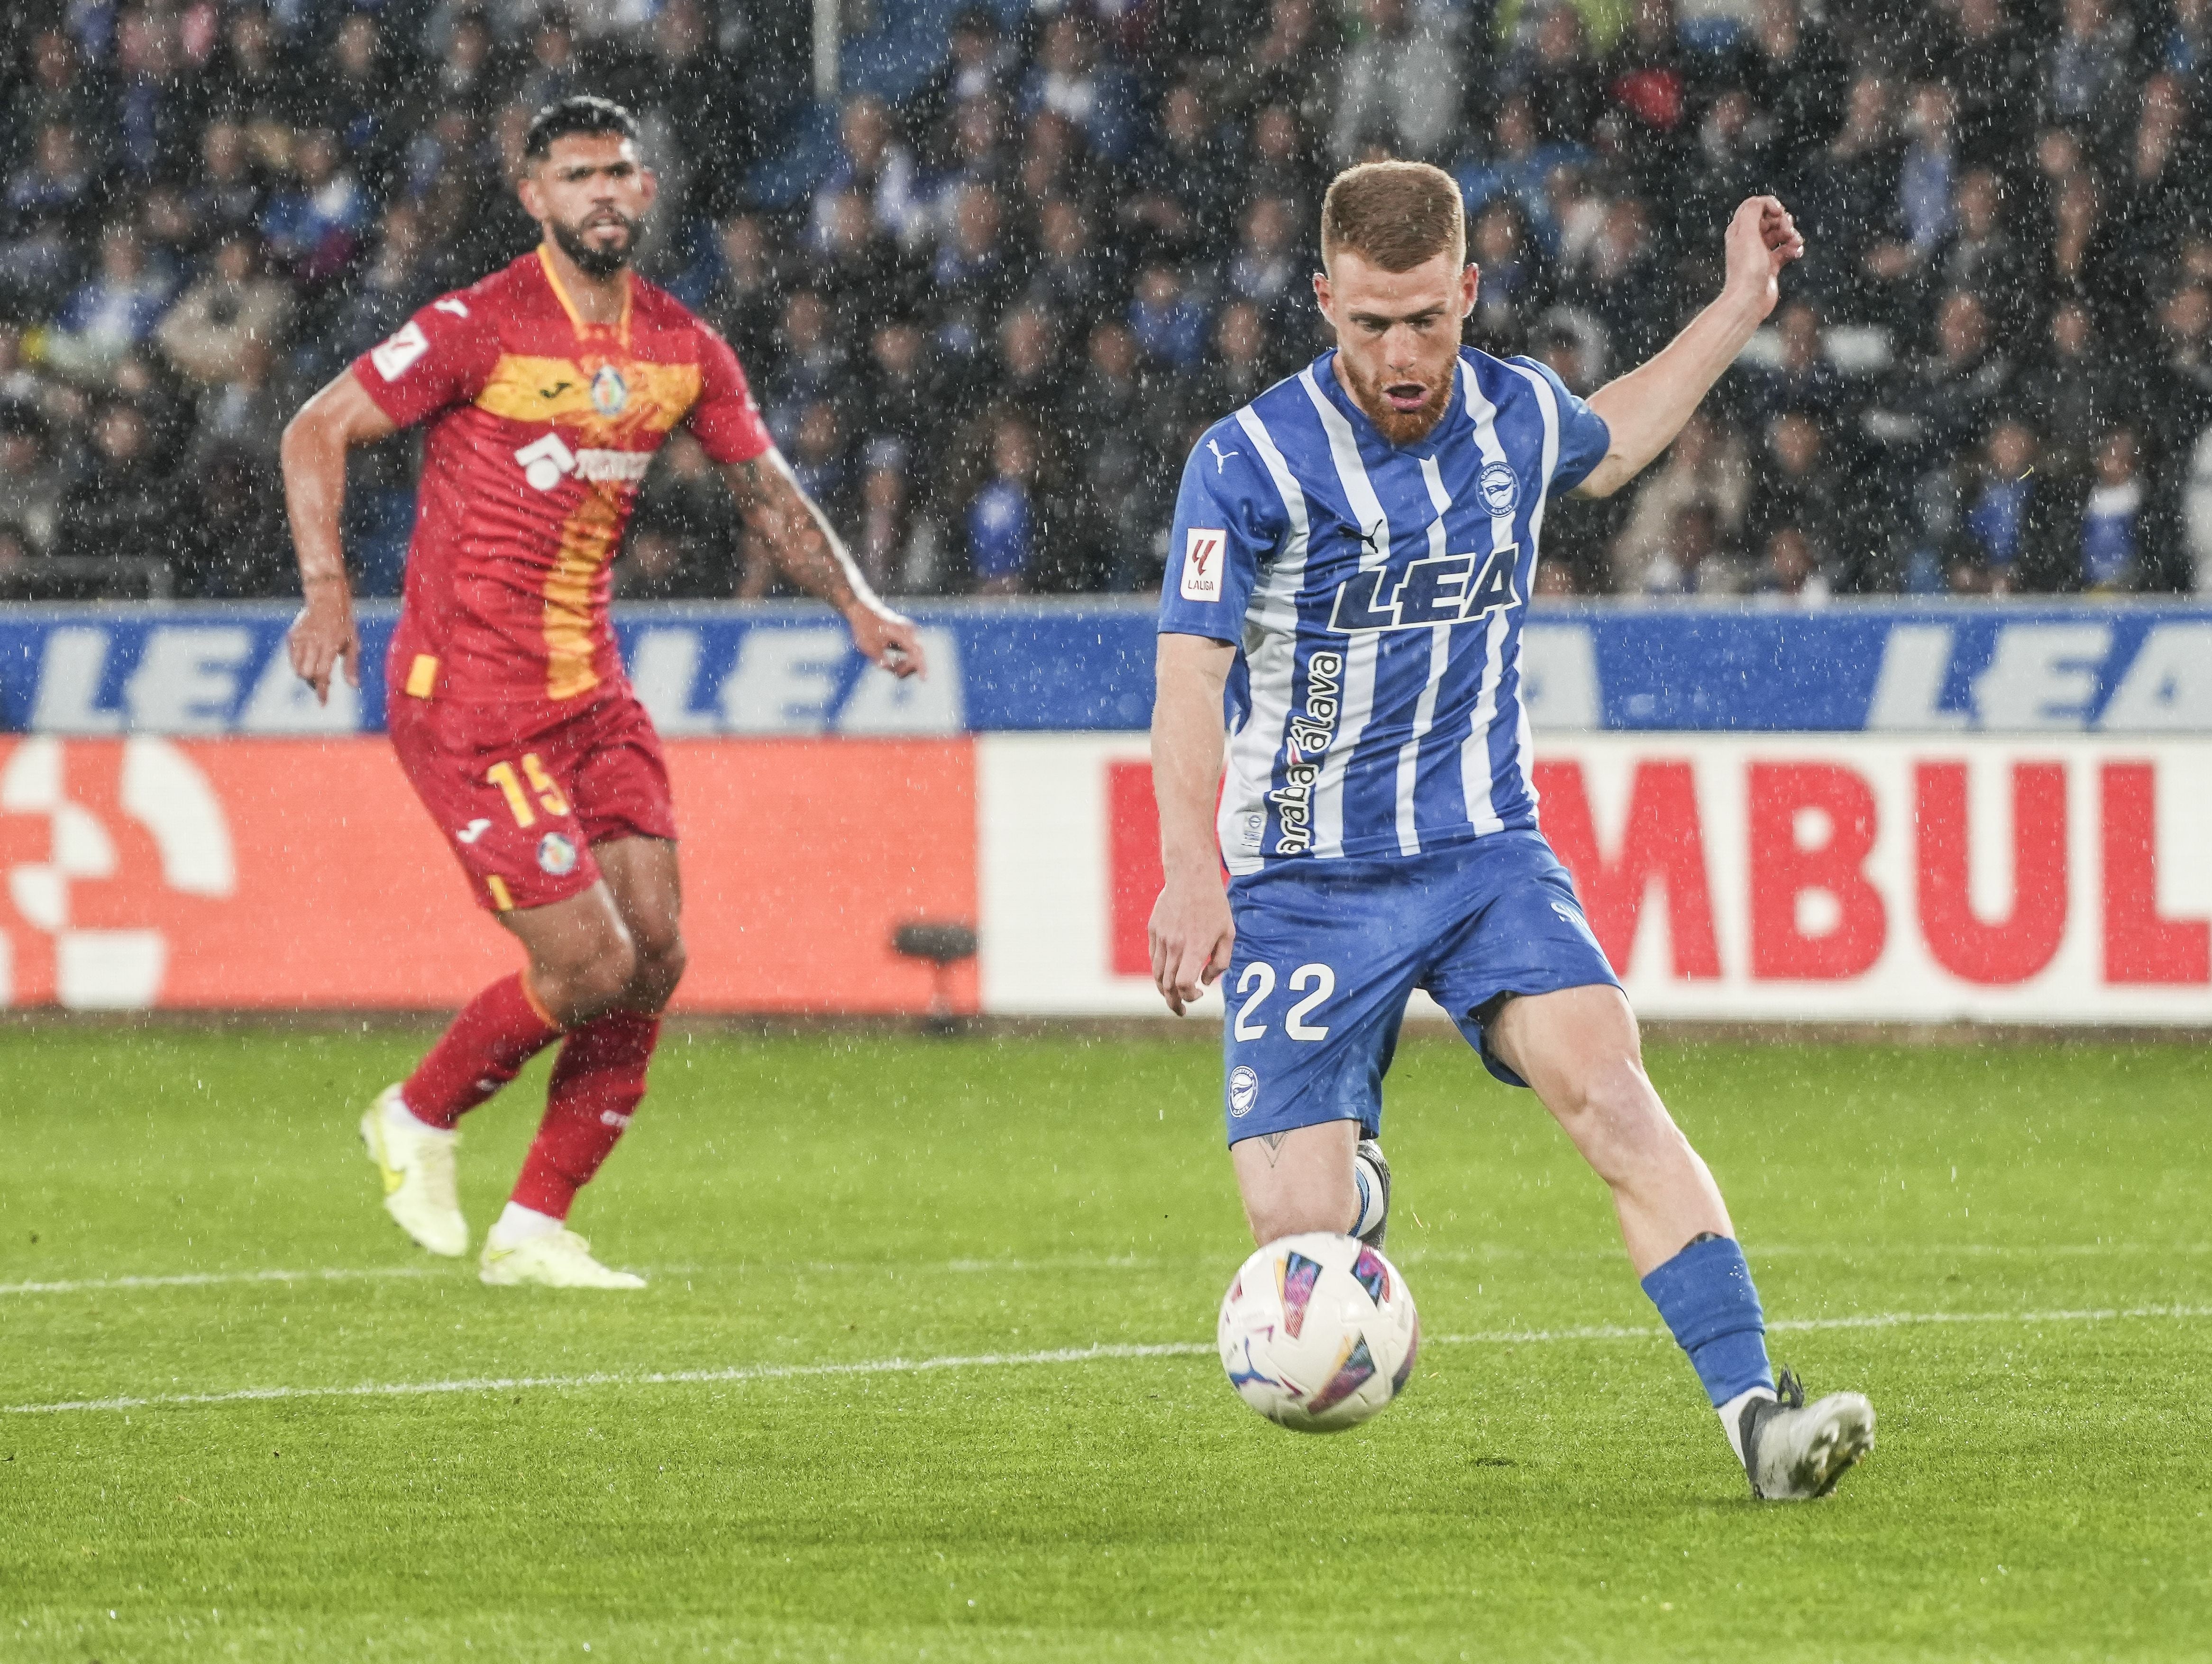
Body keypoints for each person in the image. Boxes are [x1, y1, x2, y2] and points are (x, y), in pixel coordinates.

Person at [1146, 161, 1874, 1501]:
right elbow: (1189, 672)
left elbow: (1618, 427)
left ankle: (1758, 1415)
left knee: (1609, 1087)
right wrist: (1194, 864)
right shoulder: (1245, 462)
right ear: (1323, 302)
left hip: (1483, 857)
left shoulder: (1516, 417)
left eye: (1426, 317)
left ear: (1468, 292)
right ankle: (1347, 1179)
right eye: (1368, 324)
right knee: (1293, 1234)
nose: (1402, 353)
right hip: (1304, 884)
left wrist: (1737, 301)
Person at [280, 97, 925, 1289]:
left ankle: (534, 1227)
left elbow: (771, 494)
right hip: (467, 697)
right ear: (534, 197)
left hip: (593, 695)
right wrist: (328, 593)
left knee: (657, 951)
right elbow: (315, 432)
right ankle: (417, 1116)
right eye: (579, 175)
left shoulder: (681, 347)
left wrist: (856, 606)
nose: (606, 193)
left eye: (623, 172)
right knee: (586, 966)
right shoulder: (477, 325)